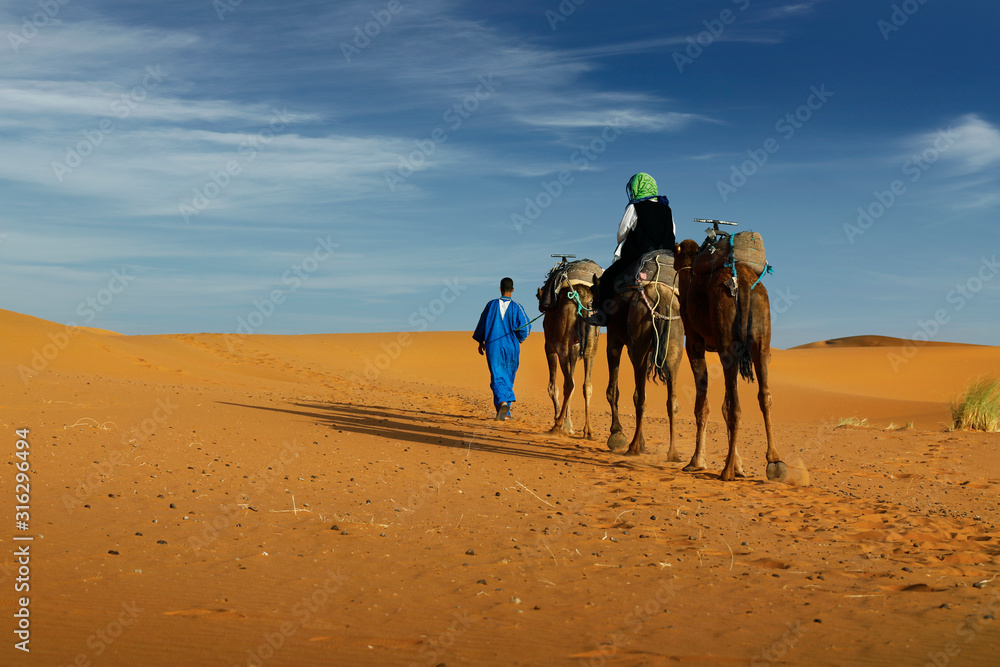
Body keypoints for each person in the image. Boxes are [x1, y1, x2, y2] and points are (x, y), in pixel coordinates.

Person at [588, 172, 676, 325]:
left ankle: (603, 316)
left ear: (636, 188)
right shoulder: (666, 209)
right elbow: (673, 232)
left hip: (639, 256)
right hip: (666, 257)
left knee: (609, 277)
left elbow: (622, 233)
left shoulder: (635, 207)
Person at [473, 277, 531, 421]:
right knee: (508, 377)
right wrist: (520, 339)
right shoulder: (518, 307)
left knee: (498, 376)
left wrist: (480, 341)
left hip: (494, 346)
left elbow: (482, 323)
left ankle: (502, 403)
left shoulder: (491, 305)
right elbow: (525, 328)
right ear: (512, 290)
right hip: (512, 346)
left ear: (500, 289)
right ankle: (506, 413)